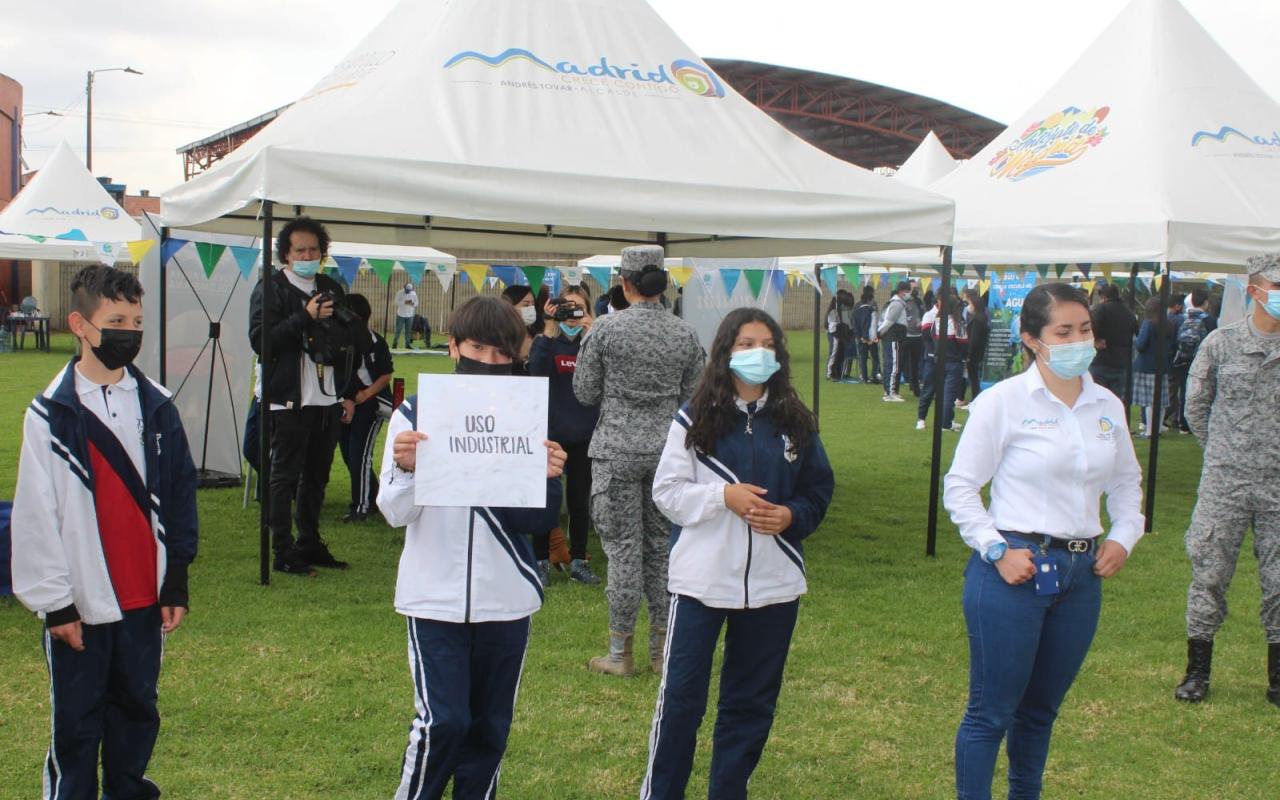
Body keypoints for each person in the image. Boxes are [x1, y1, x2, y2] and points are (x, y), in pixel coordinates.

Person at [944, 282, 1144, 800]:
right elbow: (961, 488)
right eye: (1064, 331)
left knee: (1040, 712)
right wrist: (995, 550)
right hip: (1014, 568)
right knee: (991, 712)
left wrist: (1124, 535)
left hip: (1081, 576)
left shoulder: (1107, 405)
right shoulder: (1003, 402)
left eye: (1084, 330)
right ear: (1032, 339)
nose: (1079, 340)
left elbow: (1126, 482)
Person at [12, 265, 199, 800]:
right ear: (80, 324)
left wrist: (176, 579)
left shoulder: (158, 406)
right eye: (115, 319)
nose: (128, 332)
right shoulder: (50, 414)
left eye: (136, 321)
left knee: (137, 710)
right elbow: (36, 513)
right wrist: (57, 604)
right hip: (84, 601)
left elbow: (180, 494)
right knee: (76, 721)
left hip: (145, 598)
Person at [378, 296, 567, 798]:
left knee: (488, 728)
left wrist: (548, 477)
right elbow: (395, 512)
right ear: (453, 346)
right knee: (444, 722)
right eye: (477, 347)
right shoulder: (414, 415)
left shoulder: (527, 416)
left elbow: (540, 520)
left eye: (501, 352)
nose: (487, 361)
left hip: (506, 596)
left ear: (517, 356)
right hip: (433, 594)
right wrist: (407, 468)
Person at [642, 308, 833, 799]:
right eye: (746, 344)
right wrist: (720, 498)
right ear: (725, 351)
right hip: (700, 584)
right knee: (682, 701)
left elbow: (818, 489)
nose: (757, 353)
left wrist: (791, 515)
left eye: (767, 343)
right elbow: (666, 492)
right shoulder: (694, 417)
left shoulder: (795, 420)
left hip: (775, 586)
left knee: (750, 705)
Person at [574, 245, 705, 677]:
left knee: (623, 551)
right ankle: (662, 651)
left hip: (615, 452)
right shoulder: (684, 334)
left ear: (624, 283)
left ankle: (618, 654)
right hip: (668, 453)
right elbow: (695, 396)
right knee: (660, 551)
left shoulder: (606, 331)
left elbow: (585, 392)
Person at [1174, 253, 1280, 708]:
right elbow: (1195, 407)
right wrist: (1224, 452)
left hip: (1277, 484)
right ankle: (1197, 672)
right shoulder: (1220, 344)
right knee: (1209, 574)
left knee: (1279, 581)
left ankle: (1277, 680)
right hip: (1225, 482)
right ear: (1256, 292)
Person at [249, 216, 355, 574]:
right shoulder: (271, 288)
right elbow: (261, 340)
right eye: (301, 250)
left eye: (314, 249)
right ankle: (282, 550)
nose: (308, 255)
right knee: (284, 475)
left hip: (326, 396)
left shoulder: (329, 285)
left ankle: (309, 541)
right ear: (286, 254)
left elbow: (346, 337)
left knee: (317, 474)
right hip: (289, 396)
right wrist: (306, 316)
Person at [528, 284, 602, 586]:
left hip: (585, 433)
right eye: (565, 308)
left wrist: (594, 332)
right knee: (546, 499)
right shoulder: (547, 343)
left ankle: (579, 560)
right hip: (551, 434)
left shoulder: (594, 344)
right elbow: (536, 372)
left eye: (578, 308)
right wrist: (548, 326)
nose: (571, 315)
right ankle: (541, 561)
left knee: (579, 502)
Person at [337, 294, 394, 523]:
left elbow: (385, 374)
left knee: (360, 455)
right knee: (348, 455)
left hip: (371, 405)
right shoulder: (338, 341)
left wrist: (364, 396)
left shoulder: (375, 342)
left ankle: (360, 507)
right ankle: (372, 495)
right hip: (344, 404)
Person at [1168, 288, 1217, 433]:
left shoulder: (1183, 318)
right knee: (1201, 391)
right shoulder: (1209, 320)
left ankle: (1182, 422)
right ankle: (1196, 422)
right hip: (1202, 360)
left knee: (1184, 392)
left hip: (1183, 359)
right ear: (1206, 303)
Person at [1133, 296, 1176, 438]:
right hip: (1162, 366)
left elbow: (1140, 345)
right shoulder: (1169, 324)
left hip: (1147, 366)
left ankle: (1149, 431)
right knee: (1161, 401)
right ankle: (1157, 429)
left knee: (1149, 401)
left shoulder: (1148, 324)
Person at [1088, 283, 1137, 401]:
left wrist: (1096, 339)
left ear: (1103, 297)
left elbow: (1091, 327)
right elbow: (1135, 331)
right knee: (1114, 401)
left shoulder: (1101, 309)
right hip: (1121, 362)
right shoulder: (1129, 312)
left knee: (1097, 400)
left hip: (1101, 359)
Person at [877, 281, 911, 402]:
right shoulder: (897, 304)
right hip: (894, 337)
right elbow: (889, 321)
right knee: (893, 365)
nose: (909, 294)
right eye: (908, 291)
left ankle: (890, 391)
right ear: (902, 291)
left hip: (891, 337)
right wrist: (879, 333)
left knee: (889, 365)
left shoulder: (893, 303)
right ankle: (890, 393)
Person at [500, 284, 540, 368]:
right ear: (509, 307)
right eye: (526, 305)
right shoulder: (499, 338)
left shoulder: (538, 335)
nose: (531, 308)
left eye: (533, 304)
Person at [964, 288, 990, 401]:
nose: (969, 306)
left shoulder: (976, 320)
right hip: (979, 351)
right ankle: (975, 397)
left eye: (970, 304)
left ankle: (975, 398)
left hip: (974, 352)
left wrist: (969, 354)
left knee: (973, 377)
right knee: (974, 376)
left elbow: (973, 339)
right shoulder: (983, 318)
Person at [825, 289, 855, 381]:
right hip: (834, 335)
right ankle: (830, 373)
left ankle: (838, 372)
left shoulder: (840, 311)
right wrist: (839, 335)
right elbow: (833, 327)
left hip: (839, 335)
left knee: (839, 354)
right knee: (833, 353)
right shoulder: (833, 311)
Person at [853, 285, 881, 383]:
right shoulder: (872, 310)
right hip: (871, 338)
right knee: (875, 358)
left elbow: (855, 325)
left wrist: (860, 337)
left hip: (861, 339)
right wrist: (873, 338)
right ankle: (874, 375)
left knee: (863, 358)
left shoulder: (856, 309)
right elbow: (874, 325)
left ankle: (864, 378)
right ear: (870, 299)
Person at [902, 282, 926, 395]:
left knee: (916, 363)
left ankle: (915, 386)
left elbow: (922, 314)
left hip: (918, 336)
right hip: (906, 335)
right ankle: (893, 390)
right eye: (914, 288)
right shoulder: (904, 302)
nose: (916, 289)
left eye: (917, 287)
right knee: (901, 362)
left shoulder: (919, 301)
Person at [392, 280, 418, 349]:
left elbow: (416, 303)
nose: (407, 291)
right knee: (398, 330)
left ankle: (407, 344)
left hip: (410, 315)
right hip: (401, 314)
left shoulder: (413, 294)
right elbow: (396, 302)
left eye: (409, 290)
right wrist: (404, 302)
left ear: (411, 289)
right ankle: (394, 343)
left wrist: (412, 304)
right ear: (404, 288)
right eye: (406, 290)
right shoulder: (400, 292)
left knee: (408, 331)